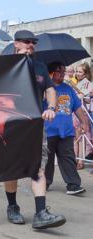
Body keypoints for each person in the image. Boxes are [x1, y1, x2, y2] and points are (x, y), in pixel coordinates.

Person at [3, 30, 66, 230]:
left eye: (33, 42)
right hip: (12, 124)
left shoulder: (39, 66)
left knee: (38, 167)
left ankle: (41, 213)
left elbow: (50, 89)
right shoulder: (5, 65)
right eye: (26, 41)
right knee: (12, 168)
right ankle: (12, 207)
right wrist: (17, 63)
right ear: (16, 44)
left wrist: (51, 107)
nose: (31, 44)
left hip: (35, 125)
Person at [44, 62, 88, 195]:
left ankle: (73, 185)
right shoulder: (44, 89)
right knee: (47, 160)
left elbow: (77, 107)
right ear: (52, 73)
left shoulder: (68, 89)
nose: (64, 74)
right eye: (60, 71)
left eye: (64, 71)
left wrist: (84, 122)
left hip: (66, 131)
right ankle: (43, 183)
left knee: (68, 158)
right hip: (48, 131)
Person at [71, 62, 92, 168]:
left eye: (80, 72)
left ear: (85, 73)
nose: (77, 74)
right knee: (75, 137)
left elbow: (82, 97)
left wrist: (75, 88)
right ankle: (74, 159)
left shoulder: (88, 84)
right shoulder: (75, 83)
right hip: (73, 113)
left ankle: (81, 161)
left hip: (82, 113)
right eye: (77, 71)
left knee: (81, 137)